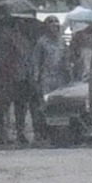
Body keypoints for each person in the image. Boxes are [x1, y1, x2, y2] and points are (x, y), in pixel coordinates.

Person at [28, 16, 68, 144]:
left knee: (59, 107)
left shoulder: (62, 42)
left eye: (57, 23)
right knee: (44, 107)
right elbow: (36, 63)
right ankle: (41, 134)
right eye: (52, 24)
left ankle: (58, 135)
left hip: (60, 79)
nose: (55, 26)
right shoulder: (42, 43)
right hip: (46, 79)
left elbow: (66, 60)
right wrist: (35, 80)